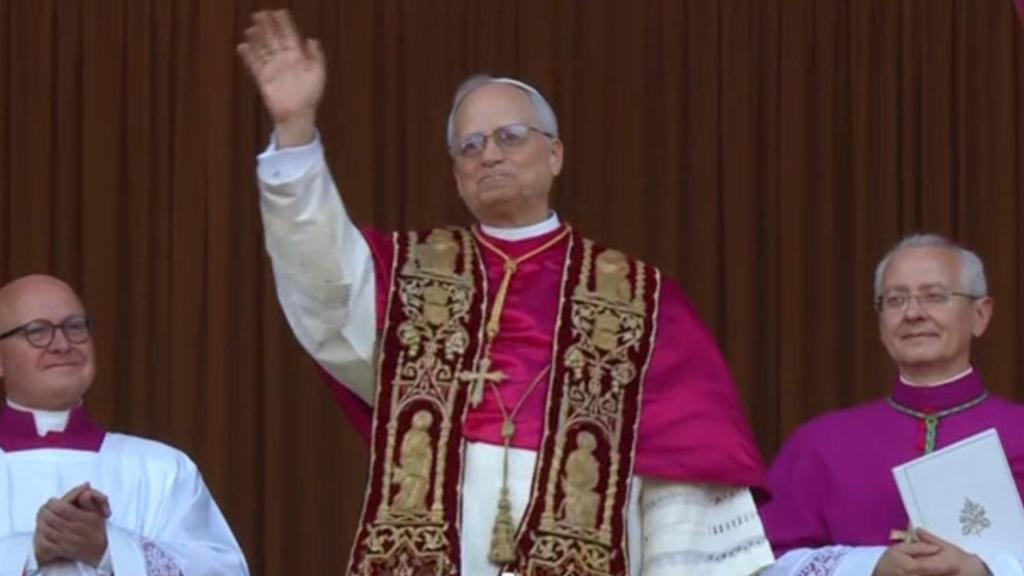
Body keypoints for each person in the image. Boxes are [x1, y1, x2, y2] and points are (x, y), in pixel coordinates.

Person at [238, 9, 774, 575]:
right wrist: (294, 131)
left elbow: (684, 469)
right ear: (456, 175)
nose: (488, 154)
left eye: (510, 137)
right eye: (469, 146)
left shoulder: (638, 297)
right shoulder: (410, 277)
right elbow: (321, 278)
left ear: (555, 154)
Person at [760, 234, 1024, 575]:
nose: (913, 313)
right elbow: (763, 564)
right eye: (895, 300)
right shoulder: (818, 444)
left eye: (934, 296)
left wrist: (988, 570)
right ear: (881, 323)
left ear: (980, 315)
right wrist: (868, 566)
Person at [0, 274, 249, 575]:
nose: (62, 344)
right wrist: (30, 551)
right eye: (37, 331)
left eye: (74, 327)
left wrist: (109, 549)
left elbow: (224, 571)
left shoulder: (163, 469)